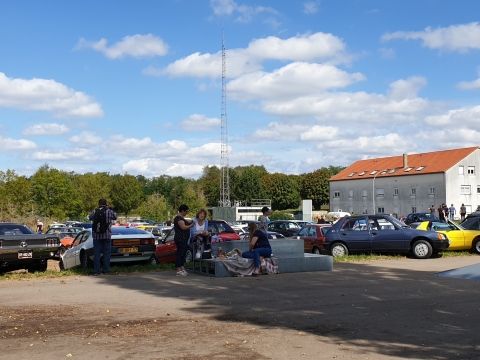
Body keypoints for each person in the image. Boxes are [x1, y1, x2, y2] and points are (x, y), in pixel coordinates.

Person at [89, 198, 117, 275]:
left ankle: (96, 271)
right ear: (106, 203)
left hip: (96, 236)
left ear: (99, 204)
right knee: (106, 254)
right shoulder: (109, 211)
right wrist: (111, 209)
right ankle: (106, 270)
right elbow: (115, 217)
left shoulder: (95, 211)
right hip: (107, 235)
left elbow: (90, 217)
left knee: (97, 254)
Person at [173, 204, 194, 276]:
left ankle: (182, 267)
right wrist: (191, 225)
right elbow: (183, 227)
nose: (187, 213)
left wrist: (192, 222)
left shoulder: (182, 218)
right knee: (180, 253)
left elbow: (187, 224)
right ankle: (178, 270)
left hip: (184, 239)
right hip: (180, 239)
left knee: (183, 253)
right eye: (186, 211)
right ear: (182, 211)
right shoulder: (178, 218)